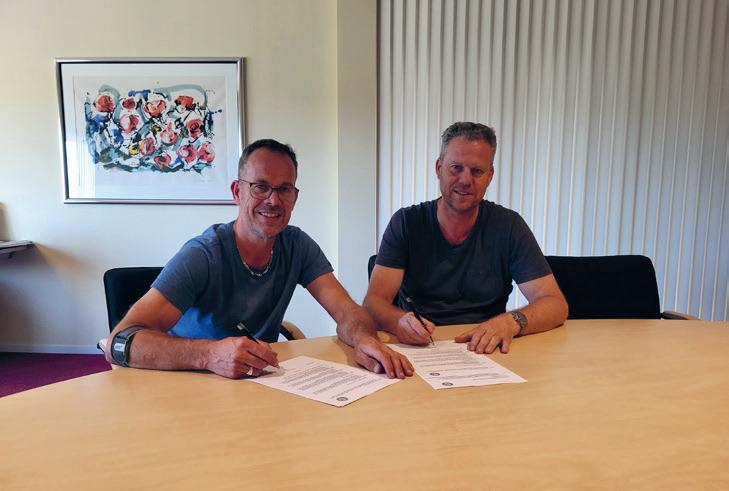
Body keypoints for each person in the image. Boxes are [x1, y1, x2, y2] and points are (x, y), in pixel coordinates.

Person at [106, 139, 413, 379]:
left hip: (255, 382)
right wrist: (209, 355)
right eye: (260, 187)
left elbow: (347, 311)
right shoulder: (203, 254)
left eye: (284, 189)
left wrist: (364, 338)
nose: (273, 200)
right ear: (237, 192)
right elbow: (120, 341)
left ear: (294, 197)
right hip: (188, 382)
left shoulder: (298, 246)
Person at [363, 122, 568, 354]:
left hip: (485, 348)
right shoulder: (406, 222)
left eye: (477, 171)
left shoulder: (509, 226)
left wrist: (511, 322)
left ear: (490, 176)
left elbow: (555, 304)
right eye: (456, 168)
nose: (465, 180)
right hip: (419, 349)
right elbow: (374, 303)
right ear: (439, 168)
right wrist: (399, 321)